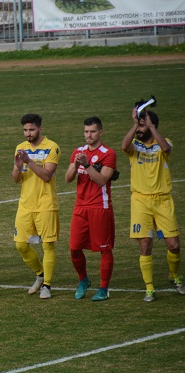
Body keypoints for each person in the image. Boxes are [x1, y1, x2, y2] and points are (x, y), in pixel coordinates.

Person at [121, 106, 184, 301]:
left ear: (152, 126)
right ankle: (149, 288)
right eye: (138, 126)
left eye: (142, 126)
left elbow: (166, 148)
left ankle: (174, 276)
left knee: (174, 245)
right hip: (140, 201)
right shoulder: (135, 146)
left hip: (163, 200)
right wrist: (135, 124)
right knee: (145, 245)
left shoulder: (164, 143)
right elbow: (124, 146)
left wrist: (150, 127)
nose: (139, 130)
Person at [64, 116, 116, 302]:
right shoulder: (78, 151)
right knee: (74, 248)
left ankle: (103, 288)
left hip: (100, 207)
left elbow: (102, 180)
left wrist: (87, 164)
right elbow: (68, 178)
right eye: (86, 131)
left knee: (104, 249)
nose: (89, 135)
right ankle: (83, 280)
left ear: (101, 132)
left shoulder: (108, 153)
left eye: (93, 131)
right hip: (81, 207)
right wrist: (77, 164)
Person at [11, 114, 61, 299]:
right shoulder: (20, 148)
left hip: (46, 204)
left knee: (48, 245)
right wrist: (18, 167)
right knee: (20, 245)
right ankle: (40, 274)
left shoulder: (52, 147)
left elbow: (47, 175)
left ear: (40, 129)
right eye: (25, 130)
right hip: (25, 205)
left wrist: (29, 162)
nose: (28, 133)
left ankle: (47, 285)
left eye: (31, 130)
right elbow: (15, 179)